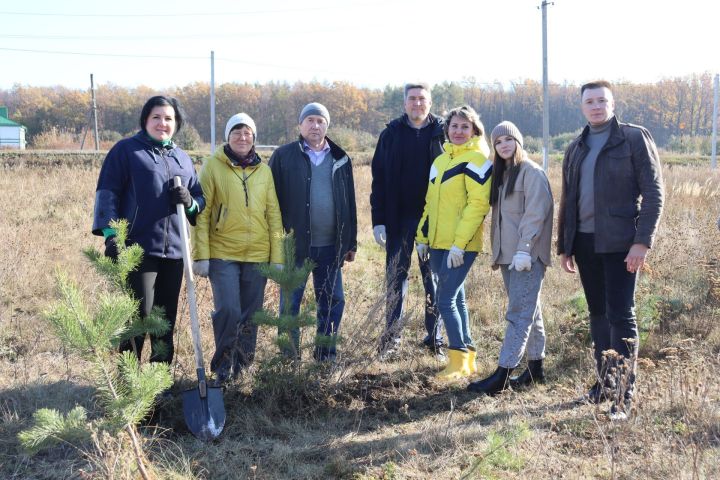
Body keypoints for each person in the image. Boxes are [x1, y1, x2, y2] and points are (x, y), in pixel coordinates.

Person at [557, 80, 664, 417]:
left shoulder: (633, 138)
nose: (596, 106)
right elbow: (568, 199)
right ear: (582, 106)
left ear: (613, 104)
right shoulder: (576, 146)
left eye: (602, 100)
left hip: (621, 243)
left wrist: (641, 242)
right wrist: (565, 245)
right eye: (590, 101)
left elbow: (654, 194)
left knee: (620, 315)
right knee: (599, 315)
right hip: (585, 243)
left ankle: (623, 395)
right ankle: (604, 384)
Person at [92, 95, 205, 365]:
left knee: (164, 322)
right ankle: (128, 385)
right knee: (138, 319)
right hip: (137, 249)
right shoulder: (127, 151)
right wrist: (111, 237)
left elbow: (199, 200)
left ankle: (160, 385)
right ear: (145, 120)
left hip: (175, 253)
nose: (162, 123)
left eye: (169, 118)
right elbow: (107, 193)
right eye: (156, 117)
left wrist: (189, 201)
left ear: (176, 124)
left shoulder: (183, 159)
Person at [191, 113, 283, 383]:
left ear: (254, 138)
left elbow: (274, 214)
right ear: (227, 137)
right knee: (229, 310)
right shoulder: (212, 166)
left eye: (247, 133)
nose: (242, 137)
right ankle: (222, 367)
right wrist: (202, 256)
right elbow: (202, 214)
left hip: (257, 254)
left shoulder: (264, 171)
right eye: (236, 132)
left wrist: (277, 256)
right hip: (223, 254)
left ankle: (243, 369)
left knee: (251, 315)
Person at [467, 121, 553, 395]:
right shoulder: (503, 174)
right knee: (531, 309)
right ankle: (535, 369)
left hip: (525, 256)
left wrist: (525, 249)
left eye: (508, 140)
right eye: (498, 142)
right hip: (508, 256)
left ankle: (503, 374)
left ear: (518, 142)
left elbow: (535, 213)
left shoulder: (531, 173)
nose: (504, 145)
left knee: (519, 314)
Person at [269, 102, 357, 361]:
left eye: (320, 121)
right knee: (290, 305)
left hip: (330, 246)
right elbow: (270, 202)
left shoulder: (341, 158)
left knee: (332, 301)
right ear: (300, 125)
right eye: (310, 120)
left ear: (327, 125)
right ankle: (288, 358)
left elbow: (349, 202)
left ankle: (325, 354)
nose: (315, 125)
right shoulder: (283, 156)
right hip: (294, 247)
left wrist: (351, 241)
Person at [415, 105, 492, 380]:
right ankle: (468, 360)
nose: (458, 131)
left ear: (474, 130)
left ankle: (457, 359)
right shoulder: (440, 161)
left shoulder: (478, 159)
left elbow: (478, 205)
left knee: (444, 299)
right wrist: (422, 238)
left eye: (464, 127)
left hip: (461, 245)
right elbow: (429, 203)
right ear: (447, 129)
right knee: (456, 298)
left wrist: (460, 244)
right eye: (454, 126)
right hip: (436, 243)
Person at [370, 82, 445, 358]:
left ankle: (435, 339)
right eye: (412, 99)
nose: (417, 104)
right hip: (397, 220)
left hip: (433, 222)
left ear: (430, 103)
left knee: (433, 280)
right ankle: (391, 341)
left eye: (422, 99)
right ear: (404, 103)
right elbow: (378, 180)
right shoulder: (390, 135)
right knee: (395, 280)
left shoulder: (443, 134)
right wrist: (378, 219)